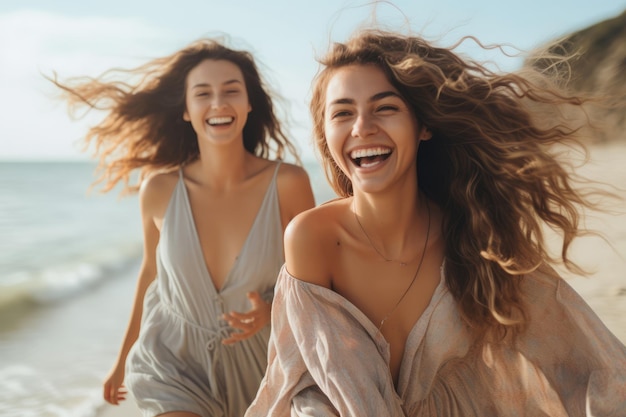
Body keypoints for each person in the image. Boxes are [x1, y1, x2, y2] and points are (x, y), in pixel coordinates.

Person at [245, 29, 626, 416]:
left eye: (385, 107)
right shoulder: (312, 238)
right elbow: (302, 379)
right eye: (342, 112)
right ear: (326, 135)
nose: (362, 127)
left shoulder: (477, 235)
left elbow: (588, 358)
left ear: (423, 125)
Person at [50, 38, 315, 416]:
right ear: (187, 110)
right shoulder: (159, 191)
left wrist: (271, 309)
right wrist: (123, 357)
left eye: (231, 91)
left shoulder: (288, 184)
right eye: (202, 93)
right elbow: (149, 275)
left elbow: (317, 276)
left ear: (249, 103)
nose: (218, 103)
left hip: (266, 365)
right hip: (176, 362)